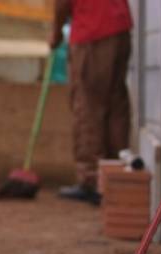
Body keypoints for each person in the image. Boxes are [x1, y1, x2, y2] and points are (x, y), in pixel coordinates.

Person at [50, 0, 132, 206]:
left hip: (93, 32)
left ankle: (92, 180)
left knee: (88, 107)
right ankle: (117, 176)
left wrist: (56, 33)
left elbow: (62, 3)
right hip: (120, 28)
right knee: (116, 105)